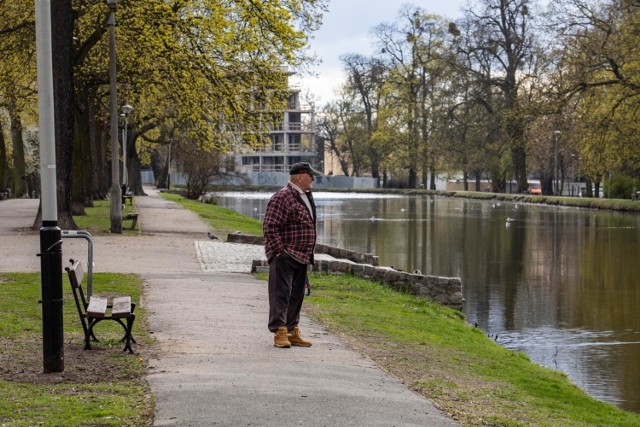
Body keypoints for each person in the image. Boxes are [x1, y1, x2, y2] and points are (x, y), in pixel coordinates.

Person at [262, 162, 322, 348]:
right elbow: (270, 226)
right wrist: (279, 252)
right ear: (300, 176)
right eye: (311, 175)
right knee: (281, 294)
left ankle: (291, 329)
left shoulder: (304, 196)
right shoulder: (283, 197)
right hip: (286, 255)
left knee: (297, 295)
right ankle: (279, 331)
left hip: (302, 255)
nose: (313, 179)